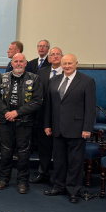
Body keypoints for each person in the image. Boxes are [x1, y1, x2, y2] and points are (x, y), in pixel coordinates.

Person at [43, 54, 96, 204]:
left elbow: (90, 107)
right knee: (59, 160)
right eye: (64, 63)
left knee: (75, 162)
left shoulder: (87, 81)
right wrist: (47, 124)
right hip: (57, 128)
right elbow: (49, 105)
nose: (67, 66)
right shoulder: (54, 80)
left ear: (76, 64)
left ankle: (73, 190)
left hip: (77, 129)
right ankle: (58, 186)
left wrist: (87, 128)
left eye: (70, 63)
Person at [0, 54, 42, 193]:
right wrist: (6, 112)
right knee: (5, 152)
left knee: (23, 153)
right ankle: (4, 179)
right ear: (12, 63)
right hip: (6, 121)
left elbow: (37, 101)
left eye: (21, 61)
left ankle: (22, 181)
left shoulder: (34, 79)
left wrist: (17, 112)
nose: (19, 63)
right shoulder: (3, 77)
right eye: (16, 61)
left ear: (26, 63)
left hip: (24, 122)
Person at [32, 47, 64, 183]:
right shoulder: (42, 72)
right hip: (43, 115)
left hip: (61, 117)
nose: (55, 56)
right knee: (44, 147)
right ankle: (43, 172)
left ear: (62, 57)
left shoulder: (68, 72)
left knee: (59, 149)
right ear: (49, 58)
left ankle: (58, 177)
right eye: (52, 55)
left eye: (58, 54)